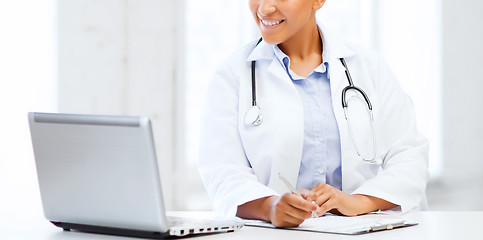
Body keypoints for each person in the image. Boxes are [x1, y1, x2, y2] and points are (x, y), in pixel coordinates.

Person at [198, 0, 429, 228]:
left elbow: (409, 156)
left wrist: (357, 202)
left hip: (363, 230)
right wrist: (270, 207)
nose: (264, 8)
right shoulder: (232, 75)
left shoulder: (369, 67)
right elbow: (222, 171)